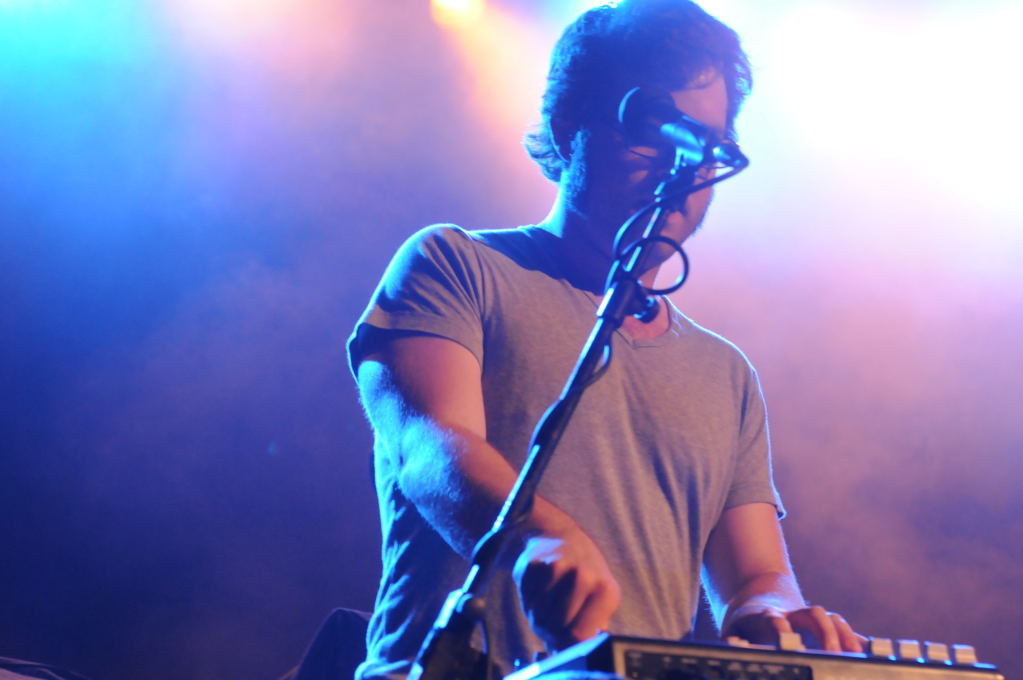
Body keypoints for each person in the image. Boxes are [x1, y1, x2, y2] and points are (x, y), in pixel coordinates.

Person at [347, 1, 864, 678]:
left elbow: (755, 576)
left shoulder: (725, 374)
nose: (684, 168)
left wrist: (776, 616)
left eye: (706, 145)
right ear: (570, 129)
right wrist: (537, 539)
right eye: (653, 129)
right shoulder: (454, 266)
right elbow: (430, 449)